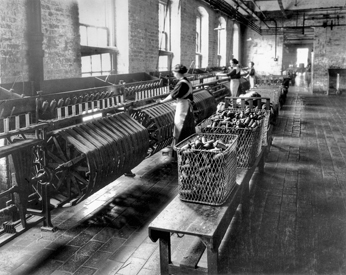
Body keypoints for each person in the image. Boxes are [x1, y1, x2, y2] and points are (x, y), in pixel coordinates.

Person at [159, 64, 196, 160]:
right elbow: (186, 96)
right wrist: (177, 104)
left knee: (180, 128)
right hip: (185, 106)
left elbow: (172, 95)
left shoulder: (182, 83)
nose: (173, 74)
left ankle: (180, 155)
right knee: (186, 129)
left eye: (174, 72)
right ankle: (187, 152)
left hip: (183, 109)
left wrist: (162, 101)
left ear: (178, 73)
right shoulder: (186, 81)